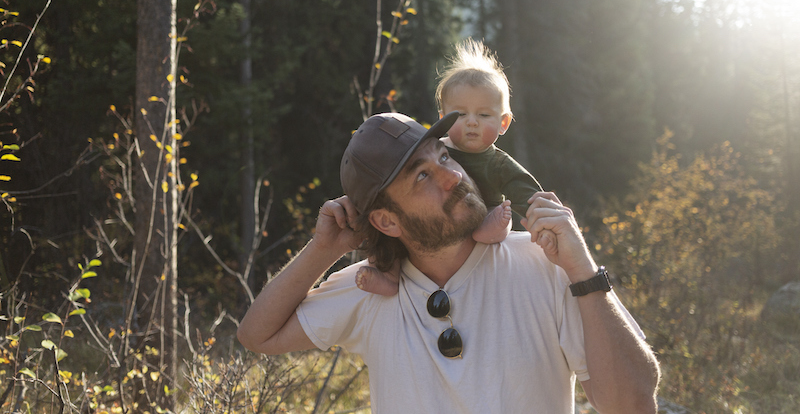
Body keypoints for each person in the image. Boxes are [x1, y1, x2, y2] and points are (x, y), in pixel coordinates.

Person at [237, 111, 661, 414]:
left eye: (443, 157)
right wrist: (323, 250)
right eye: (422, 176)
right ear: (386, 220)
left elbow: (635, 405)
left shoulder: (545, 264)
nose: (452, 177)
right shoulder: (371, 288)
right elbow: (258, 334)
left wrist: (584, 270)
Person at [355, 38, 545, 296]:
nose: (472, 123)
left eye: (484, 115)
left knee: (501, 215)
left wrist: (542, 220)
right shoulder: (432, 147)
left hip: (484, 213)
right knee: (396, 230)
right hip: (436, 228)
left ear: (503, 123)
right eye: (461, 114)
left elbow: (525, 191)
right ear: (442, 116)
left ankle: (491, 228)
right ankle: (387, 275)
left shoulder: (497, 162)